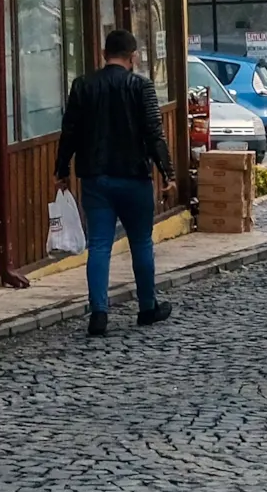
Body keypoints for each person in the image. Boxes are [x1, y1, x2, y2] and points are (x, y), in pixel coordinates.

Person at [56, 25, 180, 335]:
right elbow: (154, 133)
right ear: (133, 57)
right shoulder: (141, 87)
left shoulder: (82, 86)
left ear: (103, 55)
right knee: (141, 243)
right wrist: (169, 173)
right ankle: (147, 307)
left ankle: (99, 315)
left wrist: (61, 171)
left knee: (99, 246)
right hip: (134, 177)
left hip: (96, 178)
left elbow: (69, 132)